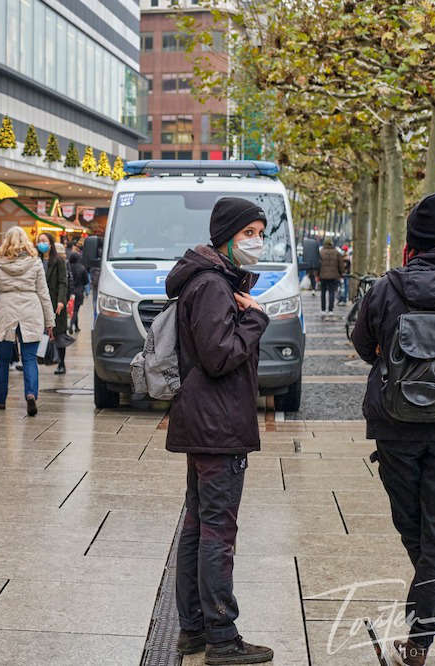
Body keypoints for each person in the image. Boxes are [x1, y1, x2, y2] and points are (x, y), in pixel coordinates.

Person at [351, 193, 435, 666]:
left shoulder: (385, 289)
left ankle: (420, 642)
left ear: (411, 242)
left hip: (394, 428)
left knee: (415, 531)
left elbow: (361, 343)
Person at [165, 197, 272, 665]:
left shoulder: (210, 279)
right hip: (217, 424)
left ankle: (193, 629)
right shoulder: (211, 285)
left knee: (198, 524)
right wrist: (255, 320)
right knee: (216, 531)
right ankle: (222, 638)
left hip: (205, 419)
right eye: (249, 233)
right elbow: (220, 355)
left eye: (260, 232)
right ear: (226, 237)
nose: (257, 242)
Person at [0, 227, 54, 416]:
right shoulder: (35, 262)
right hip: (31, 308)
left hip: (7, 309)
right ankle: (30, 394)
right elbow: (44, 293)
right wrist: (50, 320)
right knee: (29, 358)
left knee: (2, 360)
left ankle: (0, 400)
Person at [38, 232, 69, 374]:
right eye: (39, 241)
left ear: (50, 243)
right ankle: (41, 357)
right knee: (39, 331)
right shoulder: (36, 260)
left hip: (55, 301)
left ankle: (61, 362)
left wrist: (61, 301)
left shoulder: (58, 261)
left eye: (44, 241)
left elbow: (63, 282)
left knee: (58, 333)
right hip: (38, 302)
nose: (41, 243)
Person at [318, 238, 342, 316]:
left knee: (323, 293)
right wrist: (341, 274)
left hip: (323, 276)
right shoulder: (336, 252)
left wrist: (317, 274)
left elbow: (318, 264)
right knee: (332, 292)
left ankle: (323, 310)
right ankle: (331, 310)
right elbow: (340, 265)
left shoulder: (321, 252)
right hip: (333, 276)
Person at [68, 250, 88, 334]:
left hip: (70, 291)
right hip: (79, 291)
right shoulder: (82, 268)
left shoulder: (68, 267)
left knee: (74, 309)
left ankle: (76, 327)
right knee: (76, 310)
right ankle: (71, 325)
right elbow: (86, 281)